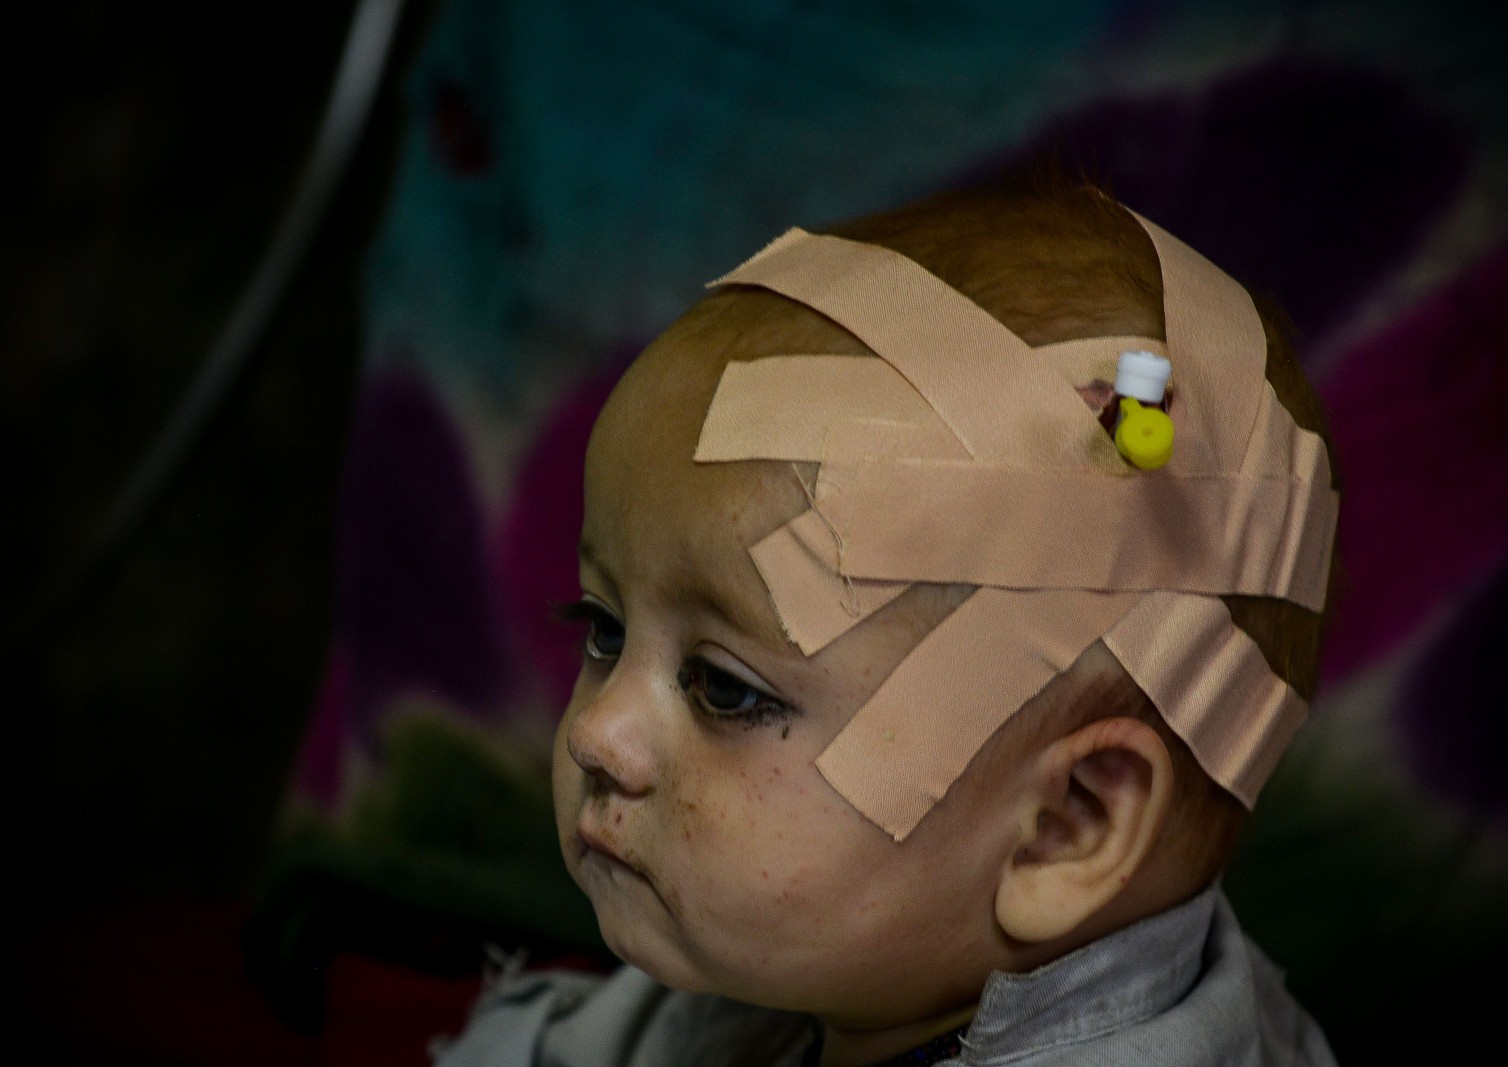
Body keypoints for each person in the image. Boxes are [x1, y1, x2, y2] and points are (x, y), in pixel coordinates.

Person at [432, 176, 1342, 1067]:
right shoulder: (818, 960)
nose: (596, 733)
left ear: (1063, 825)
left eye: (723, 688)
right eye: (604, 626)